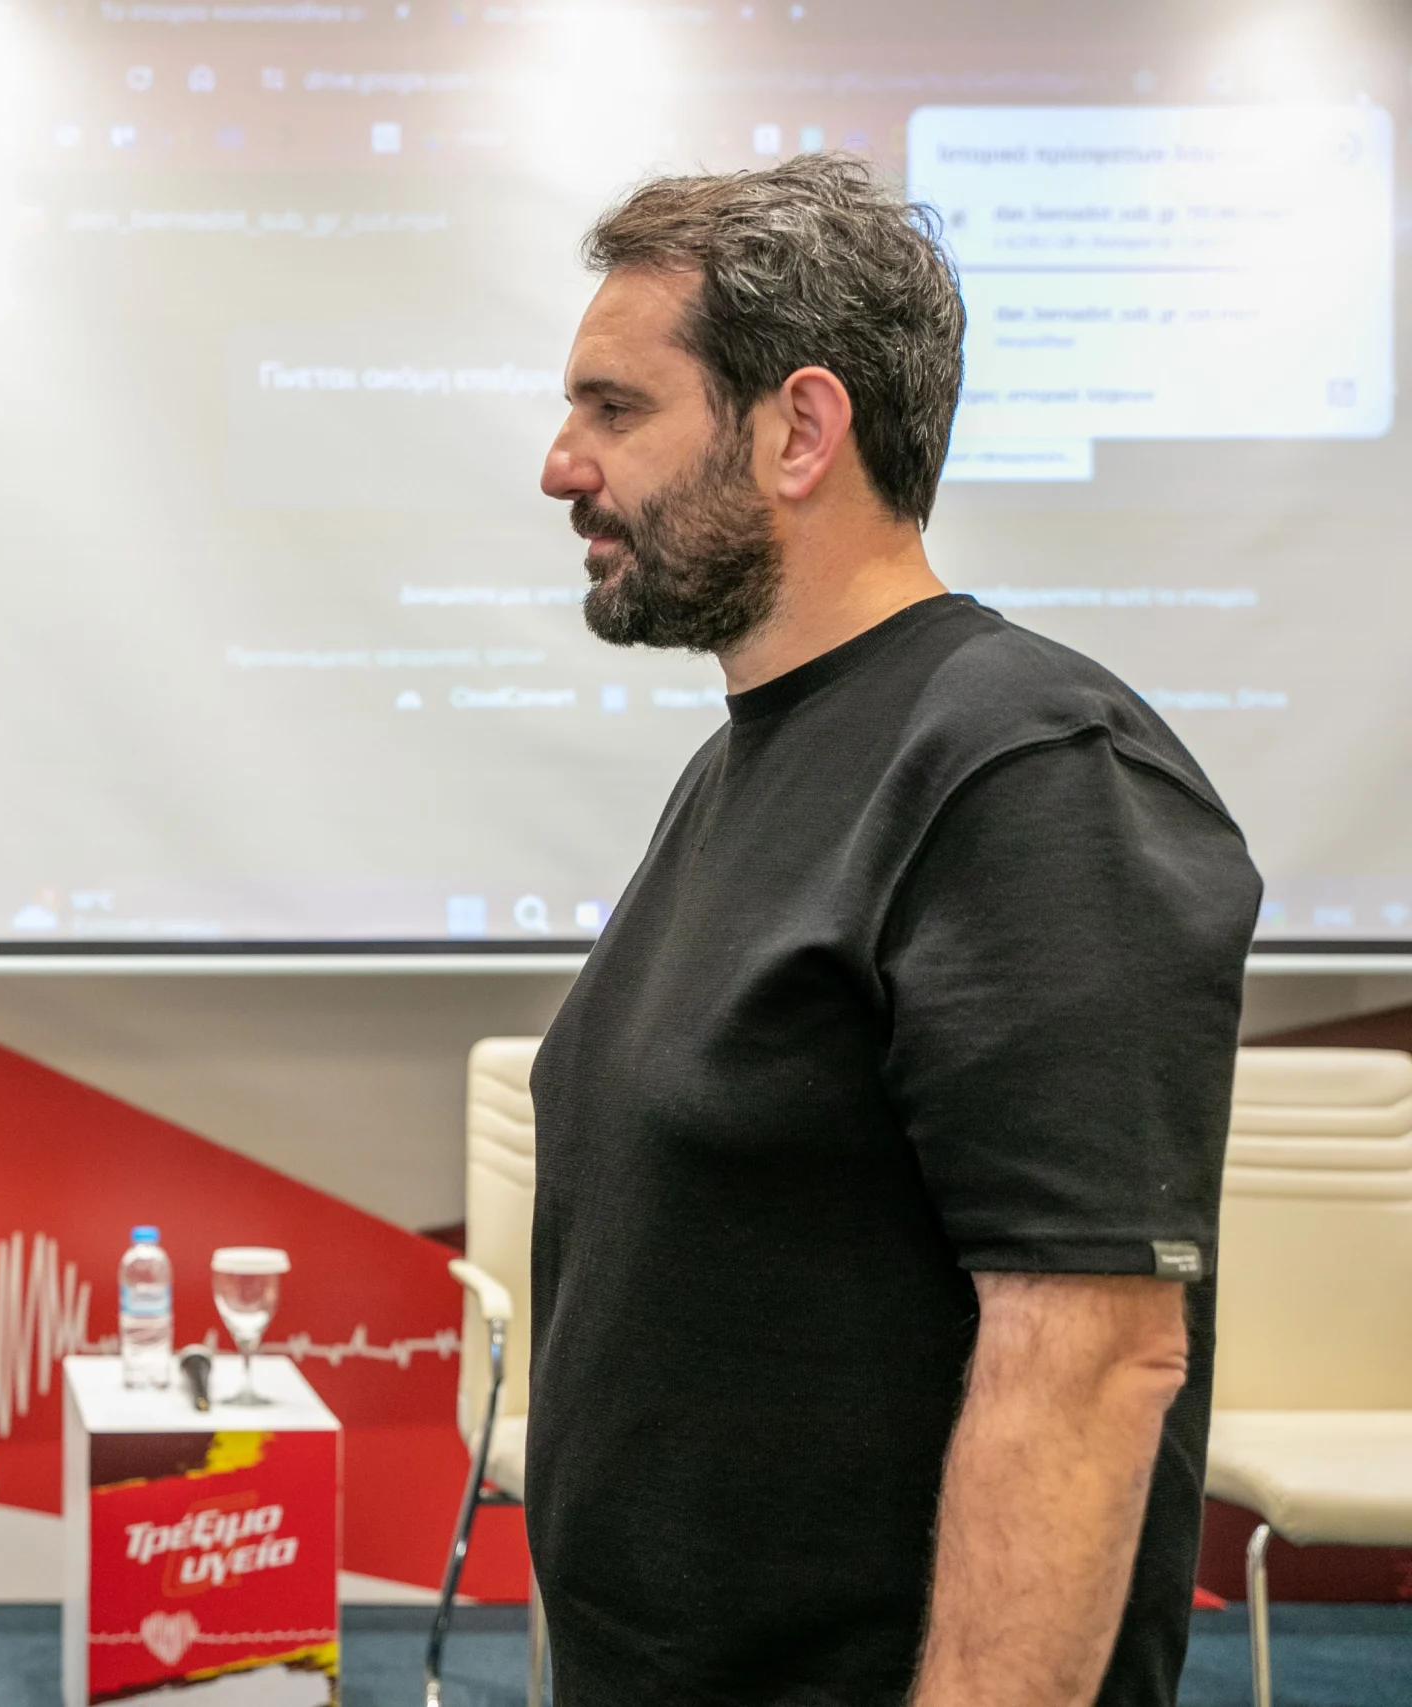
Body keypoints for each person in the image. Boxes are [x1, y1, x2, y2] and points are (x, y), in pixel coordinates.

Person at [525, 156, 1259, 1707]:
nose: (561, 464)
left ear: (801, 429)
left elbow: (1094, 1360)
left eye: (616, 409)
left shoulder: (1025, 767)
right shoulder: (746, 760)